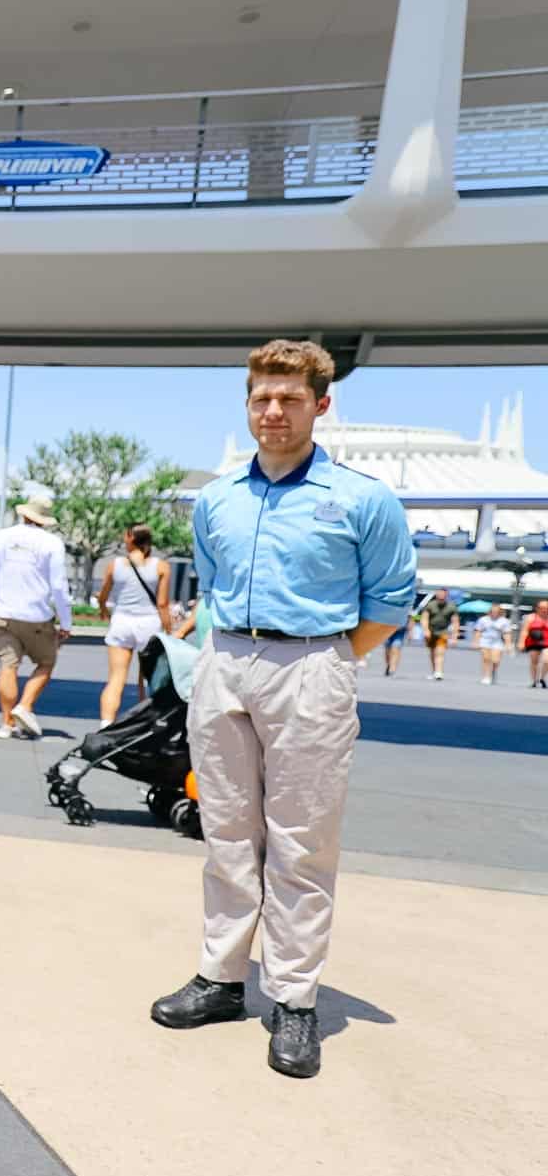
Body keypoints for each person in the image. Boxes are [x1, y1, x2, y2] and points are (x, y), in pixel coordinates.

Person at [152, 340, 415, 1081]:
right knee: (226, 831)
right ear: (248, 402)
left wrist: (326, 662)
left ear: (321, 405)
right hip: (226, 658)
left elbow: (388, 604)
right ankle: (221, 977)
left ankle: (294, 998)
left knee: (301, 842)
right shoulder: (218, 497)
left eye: (290, 399)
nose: (273, 412)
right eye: (262, 398)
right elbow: (210, 579)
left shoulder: (362, 499)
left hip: (313, 660)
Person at [0, 498, 72, 739]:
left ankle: (6, 723)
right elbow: (59, 586)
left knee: (8, 666)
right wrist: (66, 621)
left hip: (5, 612)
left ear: (24, 514)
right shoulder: (52, 543)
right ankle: (25, 704)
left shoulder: (1, 537)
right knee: (46, 662)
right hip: (37, 615)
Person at [96, 523, 173, 725]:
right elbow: (163, 603)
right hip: (149, 623)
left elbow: (103, 594)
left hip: (122, 621)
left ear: (131, 538)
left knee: (116, 678)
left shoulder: (115, 565)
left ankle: (106, 723)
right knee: (150, 679)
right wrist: (169, 630)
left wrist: (103, 609)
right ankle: (147, 722)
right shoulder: (161, 566)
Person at [419, 587, 459, 680]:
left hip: (443, 632)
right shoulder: (430, 605)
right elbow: (424, 618)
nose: (441, 595)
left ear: (446, 595)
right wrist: (425, 630)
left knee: (440, 652)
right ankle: (434, 671)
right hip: (431, 631)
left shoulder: (451, 606)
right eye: (439, 593)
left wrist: (454, 636)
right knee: (432, 653)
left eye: (443, 593)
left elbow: (455, 622)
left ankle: (439, 672)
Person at [474, 607, 514, 685]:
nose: (494, 613)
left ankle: (493, 672)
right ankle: (486, 676)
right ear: (490, 612)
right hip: (485, 640)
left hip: (497, 641)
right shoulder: (483, 620)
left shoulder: (504, 621)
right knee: (486, 659)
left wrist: (508, 644)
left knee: (495, 660)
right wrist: (476, 641)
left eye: (496, 612)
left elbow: (507, 633)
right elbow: (478, 631)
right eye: (493, 611)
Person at [521, 599, 548, 689]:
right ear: (537, 608)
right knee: (534, 661)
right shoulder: (530, 617)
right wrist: (521, 642)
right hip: (533, 642)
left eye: (546, 608)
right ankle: (534, 680)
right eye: (542, 608)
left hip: (546, 642)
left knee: (546, 659)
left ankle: (542, 678)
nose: (544, 610)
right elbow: (525, 631)